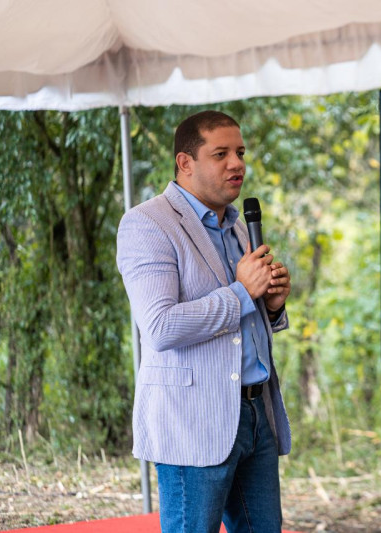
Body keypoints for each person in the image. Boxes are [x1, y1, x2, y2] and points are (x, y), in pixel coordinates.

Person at [116, 110, 292, 533]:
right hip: (192, 420)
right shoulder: (148, 223)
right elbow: (159, 328)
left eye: (241, 152)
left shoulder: (237, 227)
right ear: (185, 163)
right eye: (221, 154)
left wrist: (272, 307)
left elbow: (243, 324)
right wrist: (241, 292)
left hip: (255, 412)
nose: (237, 164)